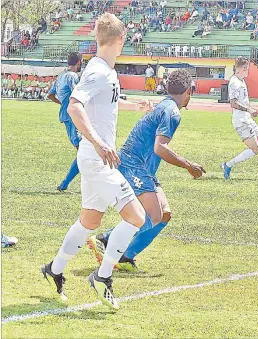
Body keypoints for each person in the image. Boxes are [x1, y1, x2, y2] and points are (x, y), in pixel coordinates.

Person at [40, 13, 153, 310]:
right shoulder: (99, 71)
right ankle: (102, 278)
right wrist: (99, 142)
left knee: (90, 219)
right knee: (136, 217)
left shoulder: (106, 70)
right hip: (97, 159)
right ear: (121, 40)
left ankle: (55, 269)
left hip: (93, 158)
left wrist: (132, 104)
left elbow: (102, 103)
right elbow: (76, 106)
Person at [88, 70, 205, 271]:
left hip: (143, 167)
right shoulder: (172, 112)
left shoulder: (166, 105)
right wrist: (188, 165)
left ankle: (125, 256)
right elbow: (160, 147)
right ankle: (105, 239)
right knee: (153, 215)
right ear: (188, 91)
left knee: (164, 214)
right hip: (134, 164)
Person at [48, 52, 84, 192]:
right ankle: (65, 183)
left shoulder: (61, 75)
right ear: (78, 62)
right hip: (73, 116)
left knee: (84, 152)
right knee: (84, 152)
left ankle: (65, 183)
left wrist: (63, 104)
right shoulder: (72, 76)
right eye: (81, 62)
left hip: (67, 116)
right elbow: (78, 93)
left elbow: (50, 95)